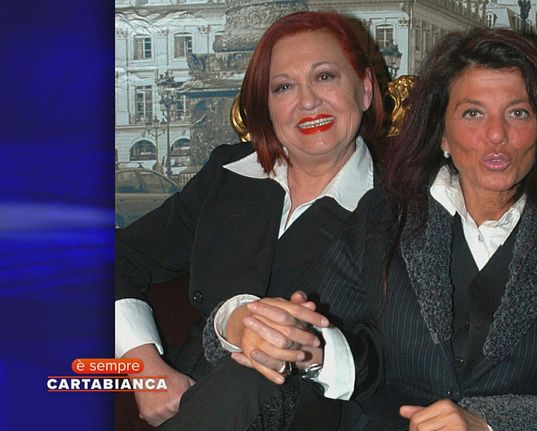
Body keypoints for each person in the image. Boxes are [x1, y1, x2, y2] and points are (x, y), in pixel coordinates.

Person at [215, 27, 537, 430]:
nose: (496, 135)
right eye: (473, 113)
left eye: (518, 112)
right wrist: (316, 350)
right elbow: (351, 342)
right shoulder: (382, 219)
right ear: (442, 134)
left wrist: (489, 424)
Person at [114, 11, 384, 427]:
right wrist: (144, 368)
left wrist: (313, 350)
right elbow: (117, 258)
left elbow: (409, 352)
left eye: (325, 76)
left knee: (250, 379)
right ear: (267, 107)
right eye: (284, 87)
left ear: (364, 90)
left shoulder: (405, 201)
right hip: (194, 404)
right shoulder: (228, 176)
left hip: (318, 412)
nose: (307, 101)